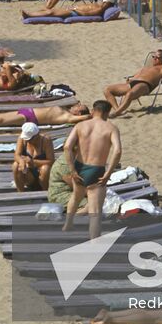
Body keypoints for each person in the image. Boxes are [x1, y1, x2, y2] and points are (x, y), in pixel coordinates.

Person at [62, 99, 121, 238]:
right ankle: (94, 241)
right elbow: (117, 151)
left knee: (76, 198)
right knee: (95, 210)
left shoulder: (80, 125)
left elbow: (67, 147)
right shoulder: (111, 128)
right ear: (107, 113)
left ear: (93, 111)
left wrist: (72, 170)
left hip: (79, 166)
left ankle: (68, 225)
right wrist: (108, 173)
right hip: (96, 169)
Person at [102, 50, 162, 115]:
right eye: (153, 57)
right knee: (107, 89)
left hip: (145, 85)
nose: (154, 59)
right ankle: (117, 109)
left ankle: (117, 113)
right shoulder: (148, 66)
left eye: (157, 58)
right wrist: (130, 80)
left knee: (130, 94)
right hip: (131, 83)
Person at [12, 122, 55, 191]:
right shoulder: (22, 139)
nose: (27, 141)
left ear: (37, 135)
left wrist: (33, 162)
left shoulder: (46, 140)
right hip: (29, 175)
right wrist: (21, 161)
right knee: (15, 165)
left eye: (30, 139)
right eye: (26, 139)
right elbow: (17, 155)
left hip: (42, 174)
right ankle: (20, 193)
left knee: (45, 168)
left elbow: (51, 161)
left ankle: (45, 192)